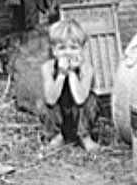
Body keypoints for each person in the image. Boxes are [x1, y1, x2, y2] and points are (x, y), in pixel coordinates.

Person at [39, 18, 99, 153]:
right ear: (54, 51)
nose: (67, 52)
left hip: (78, 115)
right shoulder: (47, 67)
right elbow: (50, 99)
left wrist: (71, 72)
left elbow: (80, 99)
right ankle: (56, 135)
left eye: (73, 47)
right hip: (60, 114)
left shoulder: (86, 68)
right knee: (42, 102)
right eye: (62, 48)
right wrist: (61, 73)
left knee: (92, 100)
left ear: (82, 49)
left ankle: (84, 135)